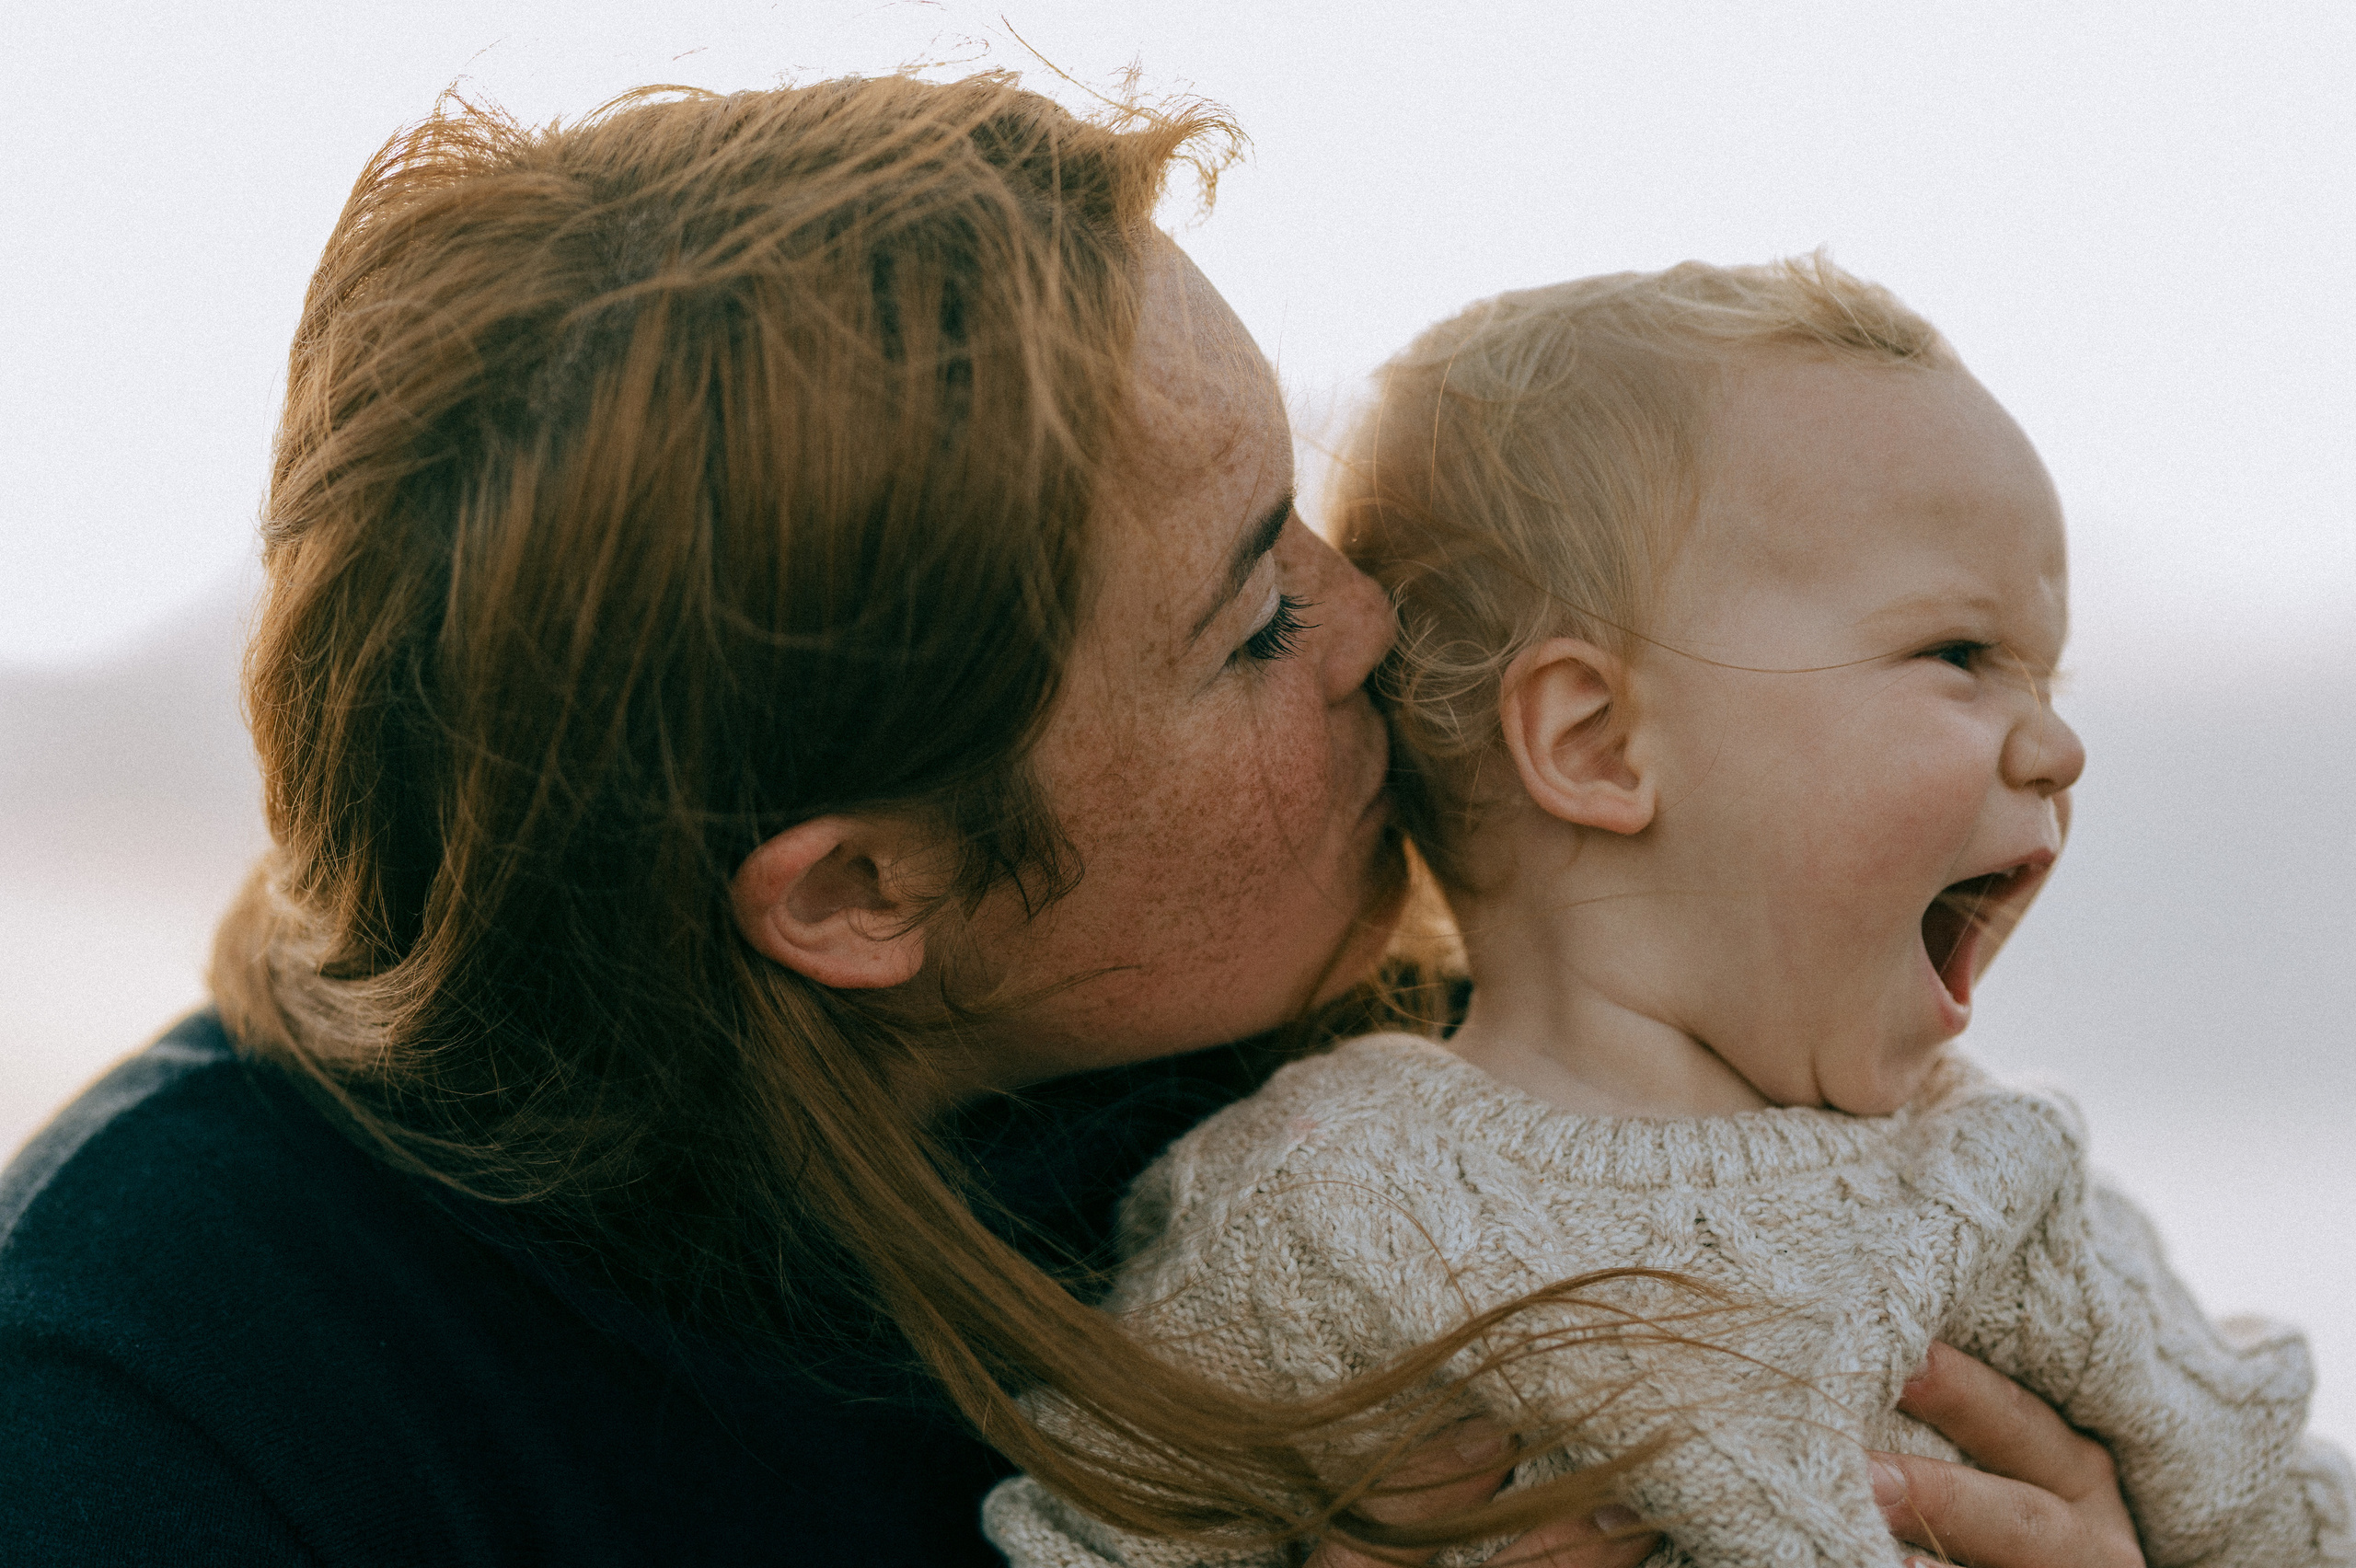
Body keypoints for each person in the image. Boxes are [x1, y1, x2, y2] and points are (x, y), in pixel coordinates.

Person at [0, 78, 2145, 1566]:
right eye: (1246, 617)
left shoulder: (1457, 1064)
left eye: (1300, 498)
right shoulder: (157, 1406)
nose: (1373, 615)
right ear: (860, 891)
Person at [983, 261, 2356, 1566]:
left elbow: (2270, 1507)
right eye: (1961, 655)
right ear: (1595, 743)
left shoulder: (2001, 1177)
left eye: (2046, 677)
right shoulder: (1314, 1214)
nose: (2055, 747)